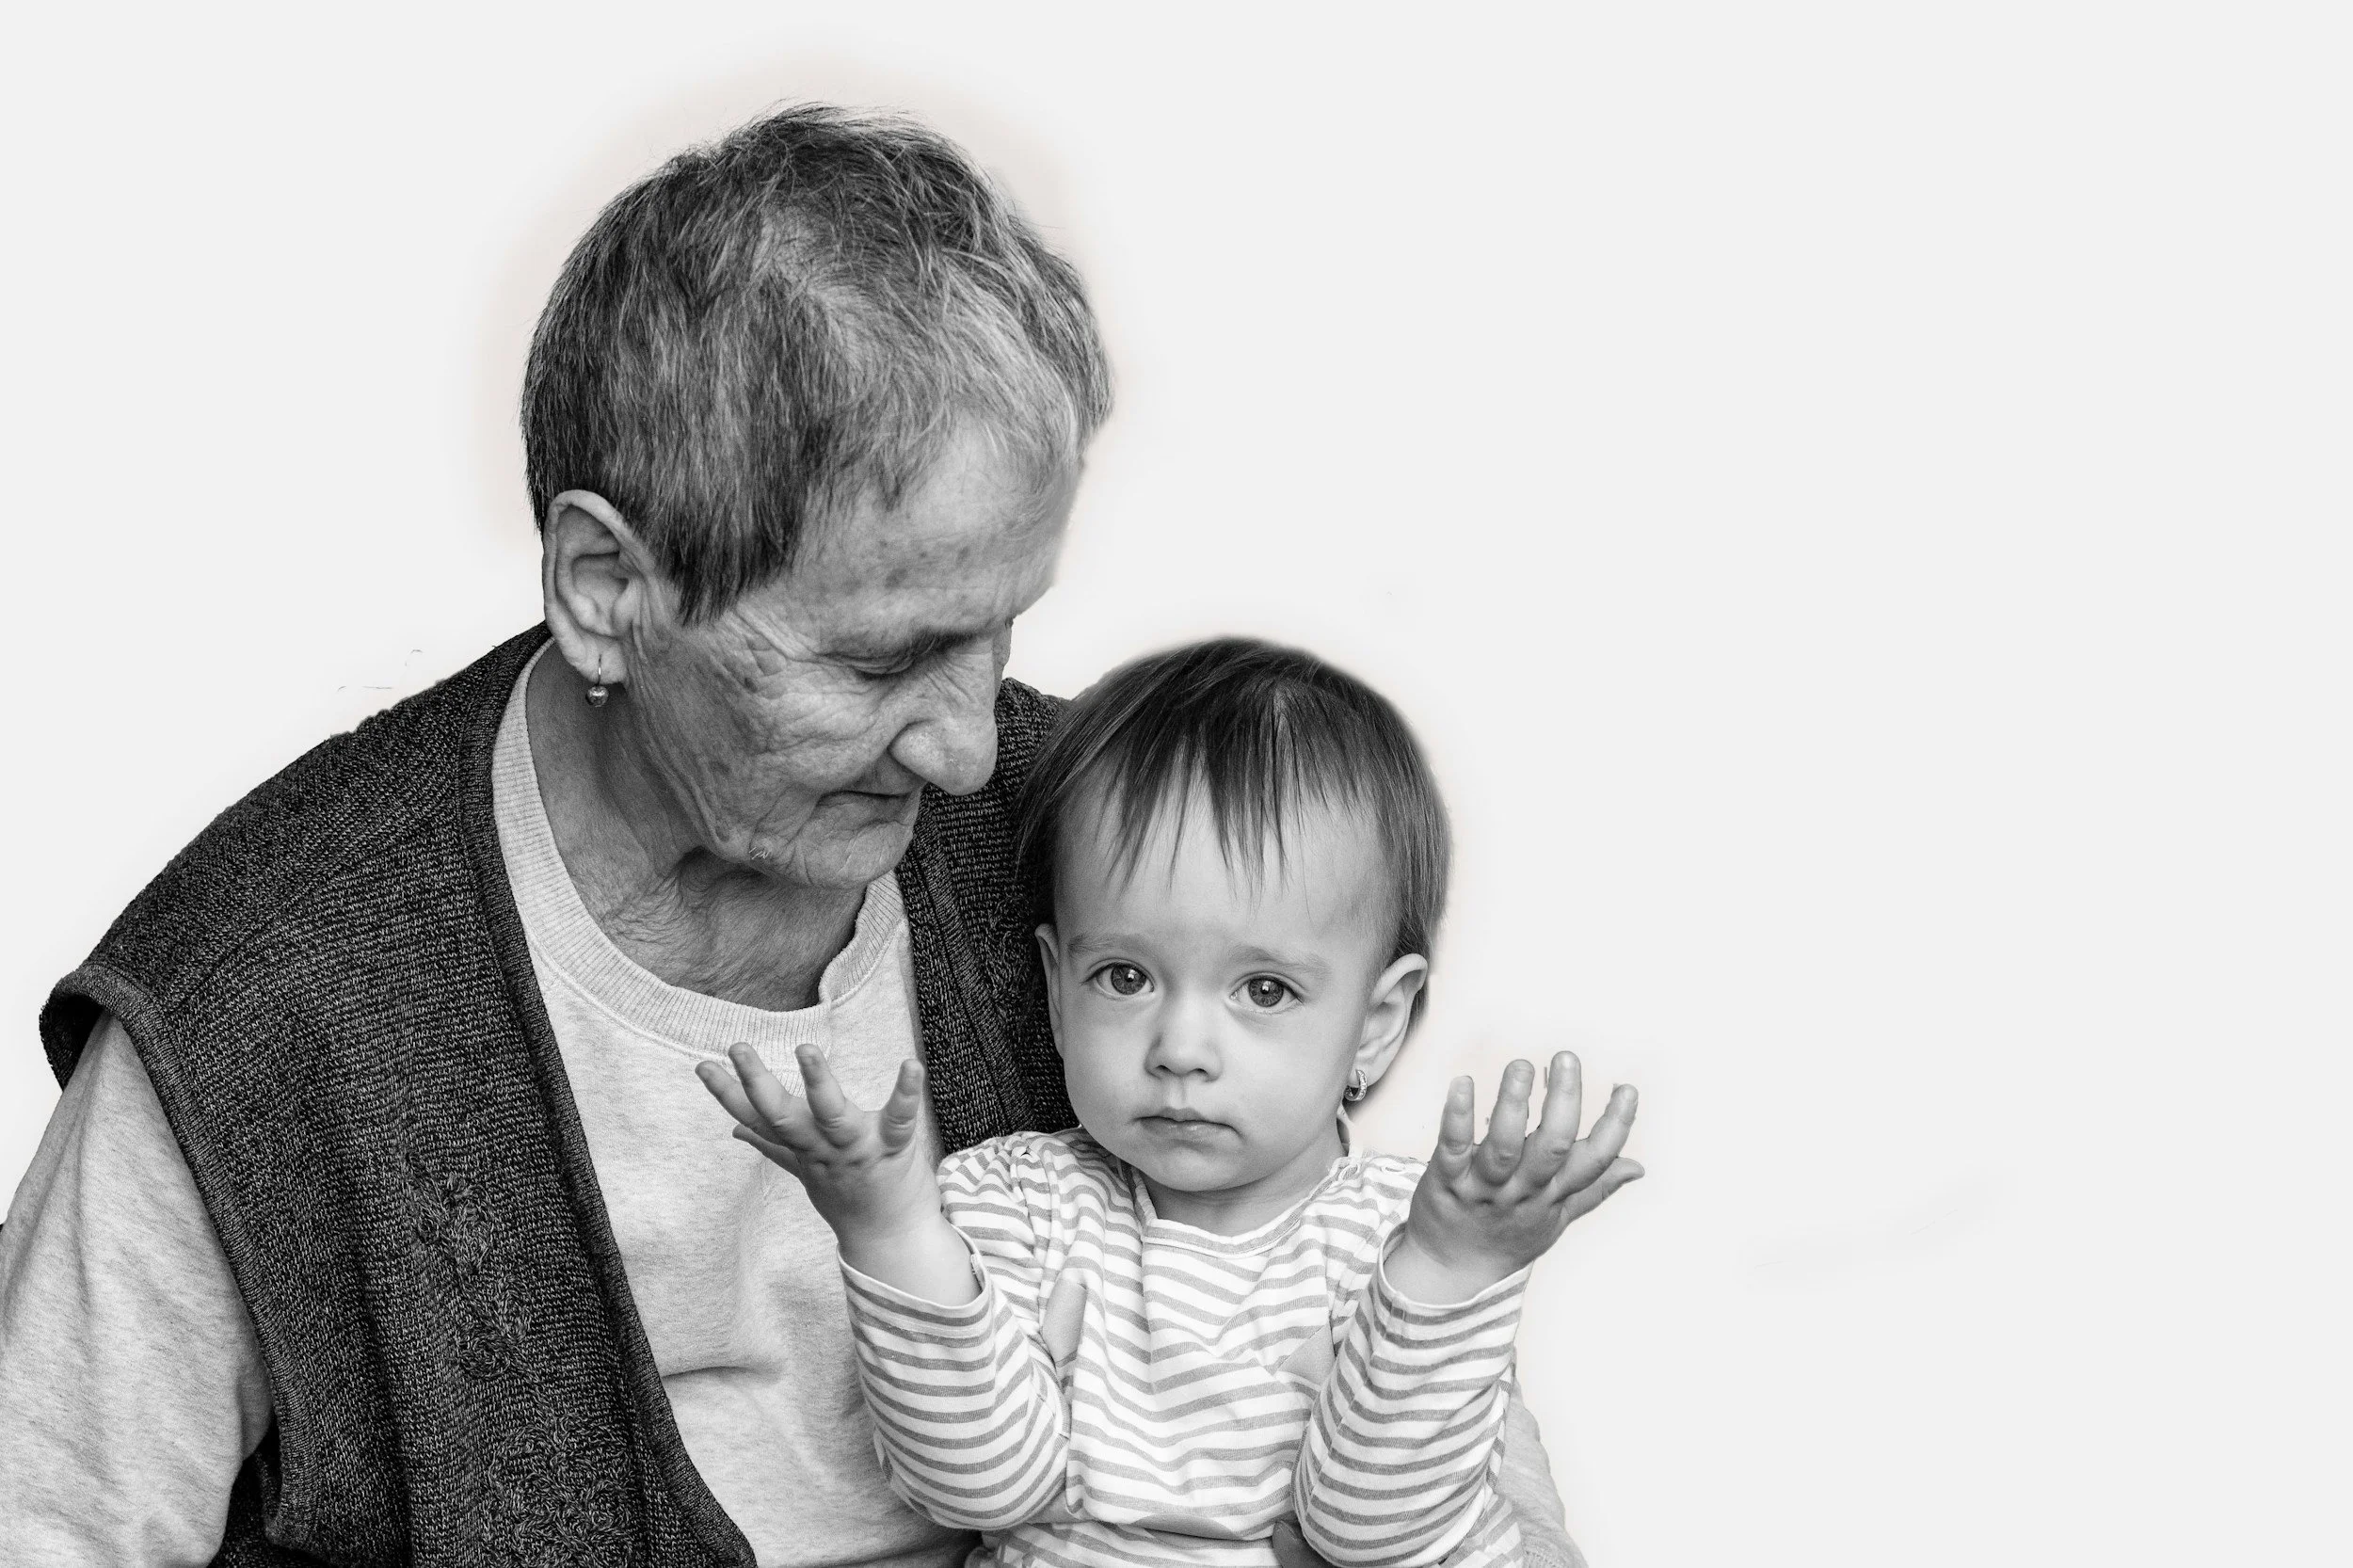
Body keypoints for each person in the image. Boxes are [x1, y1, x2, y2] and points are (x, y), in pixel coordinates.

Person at [0, 106, 1586, 1568]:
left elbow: (1416, 1425)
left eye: (1000, 633)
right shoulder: (266, 1007)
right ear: (610, 590)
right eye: (885, 658)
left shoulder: (1105, 850)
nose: (975, 747)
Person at [701, 639, 1641, 1568]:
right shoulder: (1010, 1203)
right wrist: (889, 1231)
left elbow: (1370, 1532)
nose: (1180, 1050)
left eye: (1263, 991)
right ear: (1056, 990)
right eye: (1124, 976)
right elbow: (982, 1489)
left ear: (1374, 1023)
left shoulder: (1401, 1243)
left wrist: (1451, 1267)